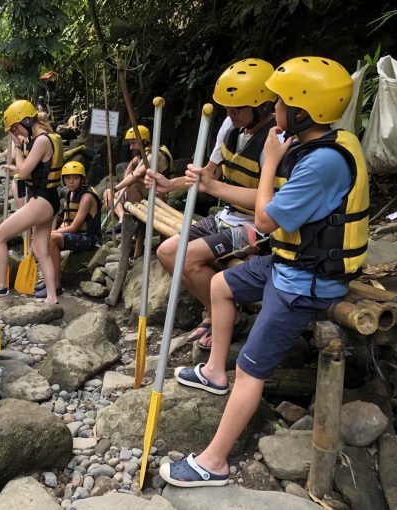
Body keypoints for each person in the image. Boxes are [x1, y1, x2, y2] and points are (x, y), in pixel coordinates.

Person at [160, 56, 368, 488]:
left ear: (302, 112)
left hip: (305, 283)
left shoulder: (321, 163)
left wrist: (271, 160)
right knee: (220, 284)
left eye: (279, 102)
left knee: (252, 371)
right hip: (287, 261)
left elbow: (266, 220)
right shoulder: (321, 139)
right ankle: (215, 372)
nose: (273, 108)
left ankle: (213, 463)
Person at [145, 58, 278, 349]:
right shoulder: (230, 126)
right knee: (167, 252)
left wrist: (213, 186)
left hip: (260, 228)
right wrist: (171, 184)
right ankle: (220, 312)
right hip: (228, 217)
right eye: (228, 107)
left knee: (188, 257)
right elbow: (209, 174)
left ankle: (226, 318)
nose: (231, 113)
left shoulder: (274, 141)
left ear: (264, 105)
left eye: (238, 107)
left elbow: (269, 203)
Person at [0, 99, 64, 304]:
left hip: (41, 200)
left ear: (26, 120)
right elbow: (38, 169)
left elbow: (25, 172)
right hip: (49, 200)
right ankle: (52, 297)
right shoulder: (49, 138)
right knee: (40, 249)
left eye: (16, 127)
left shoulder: (41, 140)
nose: (16, 132)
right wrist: (17, 168)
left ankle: (0, 285)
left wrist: (17, 147)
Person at [34, 161, 102, 298]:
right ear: (63, 180)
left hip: (88, 238)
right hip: (75, 234)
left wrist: (50, 233)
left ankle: (56, 286)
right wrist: (50, 233)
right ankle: (48, 280)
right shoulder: (69, 194)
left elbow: (73, 228)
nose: (71, 182)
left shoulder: (86, 197)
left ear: (82, 179)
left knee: (51, 238)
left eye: (75, 178)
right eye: (68, 178)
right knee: (46, 238)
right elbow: (65, 223)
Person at [103, 125, 173, 231]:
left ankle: (135, 220)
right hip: (146, 192)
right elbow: (131, 166)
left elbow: (136, 175)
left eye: (133, 143)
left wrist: (116, 188)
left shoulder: (154, 155)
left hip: (158, 195)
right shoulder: (142, 156)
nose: (130, 147)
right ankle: (123, 218)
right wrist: (121, 188)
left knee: (134, 186)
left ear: (144, 141)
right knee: (107, 192)